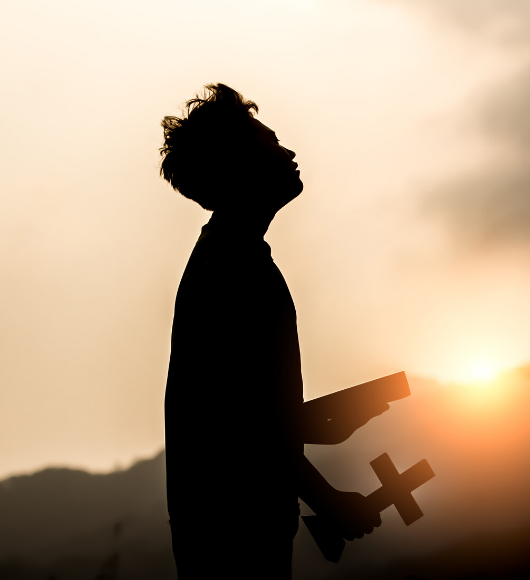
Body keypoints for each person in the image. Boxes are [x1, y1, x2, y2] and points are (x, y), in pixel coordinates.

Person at [159, 83, 387, 579]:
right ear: (239, 165)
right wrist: (328, 499)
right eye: (270, 142)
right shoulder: (232, 269)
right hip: (233, 543)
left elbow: (236, 413)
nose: (289, 151)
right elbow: (243, 427)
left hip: (229, 533)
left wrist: (308, 423)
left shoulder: (227, 258)